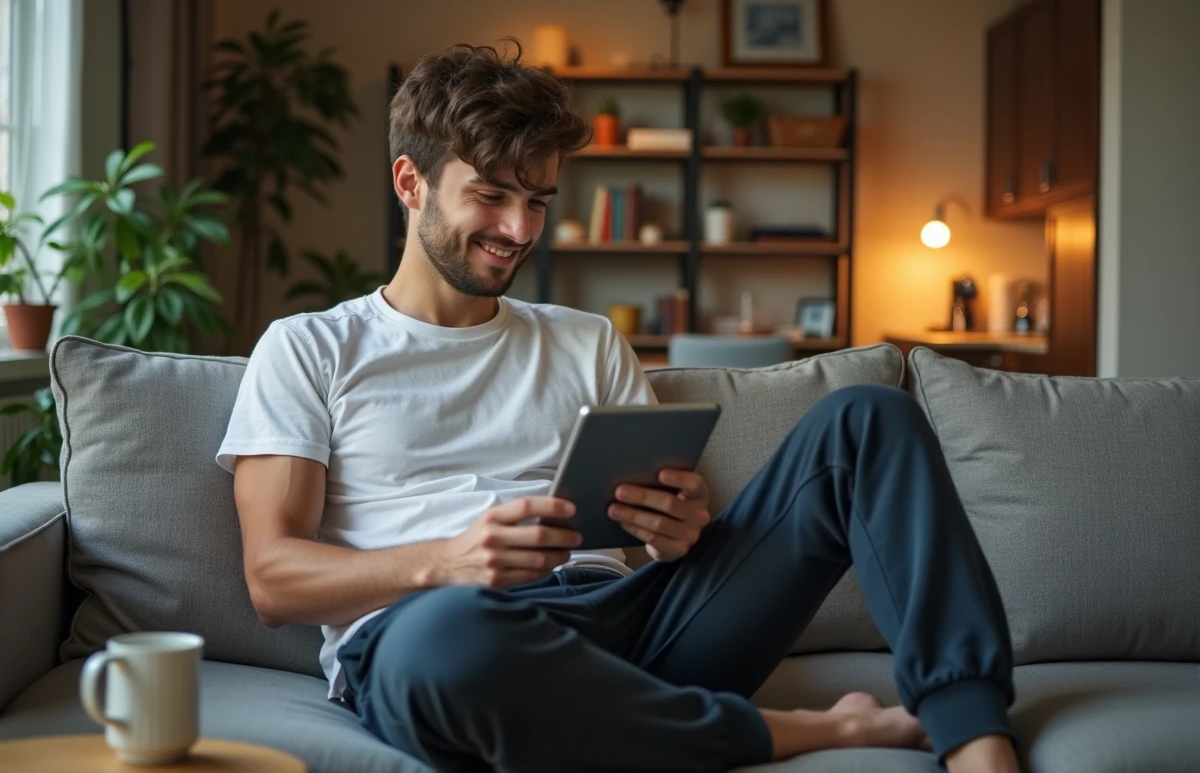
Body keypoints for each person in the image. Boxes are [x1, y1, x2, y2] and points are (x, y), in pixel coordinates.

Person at [219, 41, 1021, 773]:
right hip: (438, 637)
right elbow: (273, 579)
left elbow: (662, 535)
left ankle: (977, 741)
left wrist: (676, 529)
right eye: (491, 196)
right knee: (448, 639)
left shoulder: (587, 340)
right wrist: (447, 564)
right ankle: (822, 731)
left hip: (629, 623)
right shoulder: (310, 348)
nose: (517, 229)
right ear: (410, 182)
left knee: (868, 419)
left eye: (538, 201)